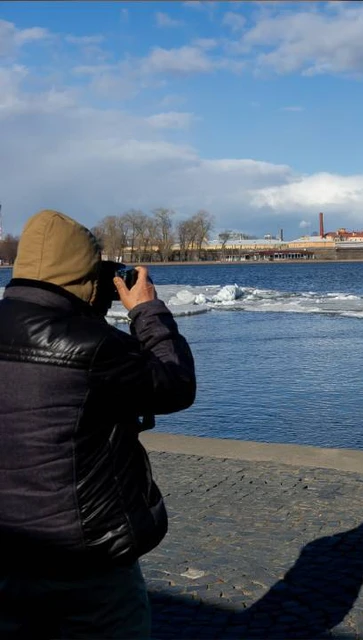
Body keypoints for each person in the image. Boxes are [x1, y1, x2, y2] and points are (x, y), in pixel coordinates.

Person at [0, 210, 197, 638]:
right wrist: (147, 311)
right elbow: (176, 385)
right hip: (85, 556)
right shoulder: (95, 347)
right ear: (87, 279)